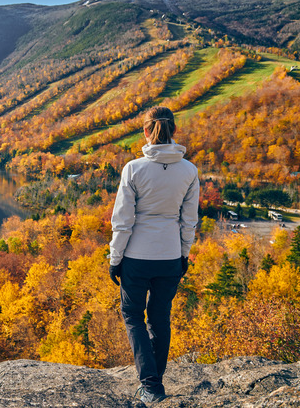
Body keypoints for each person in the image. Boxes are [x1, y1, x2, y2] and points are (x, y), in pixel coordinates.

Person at [108, 106, 199, 404]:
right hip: (170, 255)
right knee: (160, 318)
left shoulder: (133, 169)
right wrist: (184, 254)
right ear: (174, 131)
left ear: (146, 132)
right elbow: (189, 220)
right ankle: (154, 385)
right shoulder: (189, 170)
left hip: (136, 257)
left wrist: (115, 258)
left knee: (133, 315)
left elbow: (123, 221)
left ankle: (150, 385)